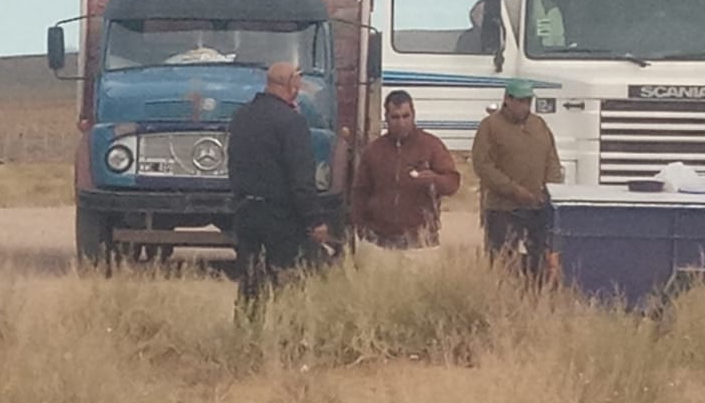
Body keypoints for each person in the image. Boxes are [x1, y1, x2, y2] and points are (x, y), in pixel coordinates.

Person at [227, 62, 329, 326]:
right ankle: (285, 339)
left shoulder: (241, 117)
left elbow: (233, 166)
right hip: (281, 218)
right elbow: (301, 179)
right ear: (291, 85)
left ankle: (246, 338)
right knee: (287, 284)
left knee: (250, 285)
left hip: (245, 214)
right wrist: (315, 220)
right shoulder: (292, 122)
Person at [471, 78, 563, 285]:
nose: (524, 106)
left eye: (528, 101)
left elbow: (552, 159)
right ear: (507, 100)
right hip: (503, 209)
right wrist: (513, 190)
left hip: (537, 207)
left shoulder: (538, 125)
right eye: (520, 101)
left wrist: (551, 190)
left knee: (539, 261)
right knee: (503, 262)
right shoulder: (490, 126)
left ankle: (535, 300)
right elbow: (483, 165)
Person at [351, 90, 461, 251]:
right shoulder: (374, 150)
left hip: (421, 240)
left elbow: (453, 183)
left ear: (414, 115)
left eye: (405, 116)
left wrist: (433, 179)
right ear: (386, 118)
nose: (401, 122)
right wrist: (360, 227)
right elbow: (360, 192)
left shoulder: (431, 146)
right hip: (380, 240)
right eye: (395, 117)